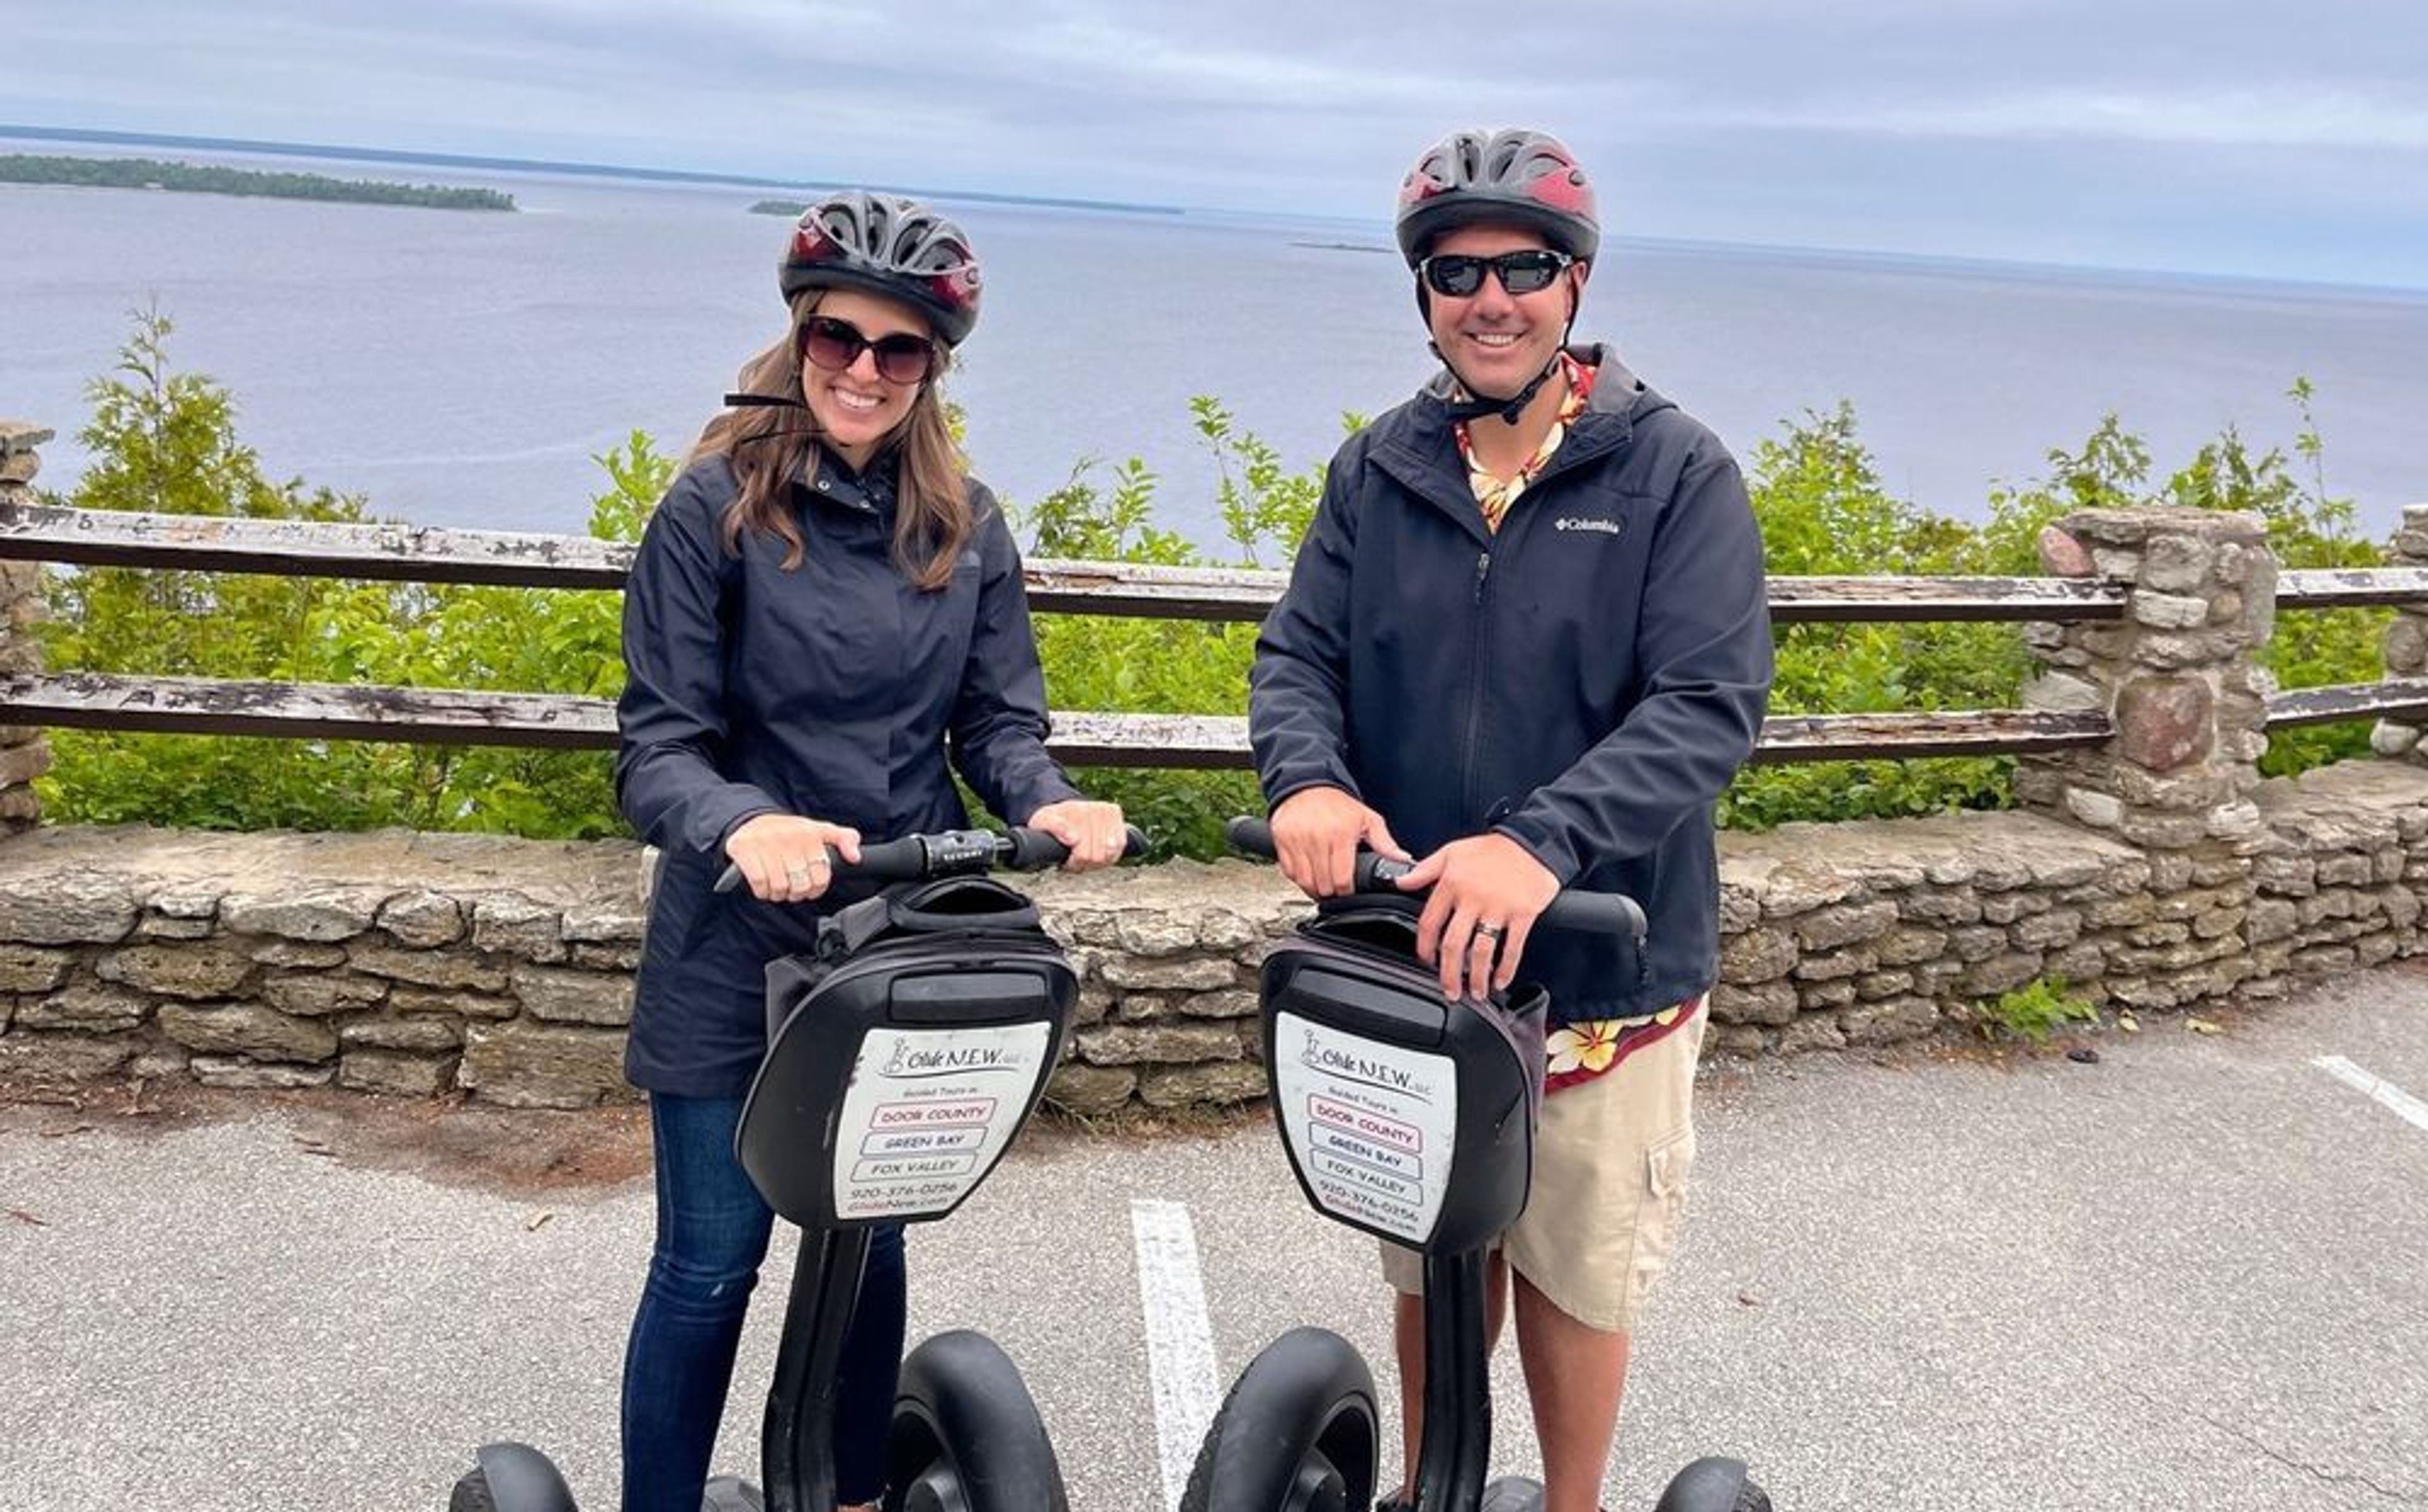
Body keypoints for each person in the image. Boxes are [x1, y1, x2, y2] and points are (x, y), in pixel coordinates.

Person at [1248, 128, 1773, 1512]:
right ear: (1424, 292)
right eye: (1457, 270)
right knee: (1434, 1253)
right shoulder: (1381, 467)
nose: (1492, 298)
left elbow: (1709, 702)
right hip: (1419, 953)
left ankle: (1570, 1502)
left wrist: (1539, 840)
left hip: (1608, 961)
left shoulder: (1675, 472)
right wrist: (1306, 777)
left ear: (1575, 283)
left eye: (1523, 267)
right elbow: (1299, 655)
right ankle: (1440, 1490)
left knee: (1575, 1262)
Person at [613, 190, 1126, 1512]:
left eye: (900, 350)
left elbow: (997, 722)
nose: (863, 368)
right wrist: (746, 818)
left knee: (868, 1238)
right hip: (736, 934)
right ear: (800, 336)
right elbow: (659, 748)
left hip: (890, 939)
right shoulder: (711, 510)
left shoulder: (964, 524)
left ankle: (846, 1495)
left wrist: (1050, 798)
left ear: (933, 368)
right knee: (711, 1263)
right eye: (840, 337)